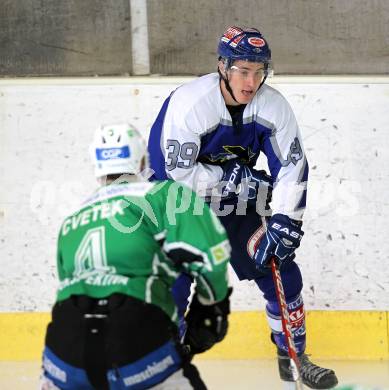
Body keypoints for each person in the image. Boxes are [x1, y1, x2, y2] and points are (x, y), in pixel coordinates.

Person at [147, 26, 338, 389]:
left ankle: (294, 358)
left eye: (259, 71)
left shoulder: (273, 106)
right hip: (174, 201)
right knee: (173, 279)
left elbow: (292, 167)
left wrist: (285, 220)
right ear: (223, 66)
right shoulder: (191, 104)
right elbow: (176, 175)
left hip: (233, 203)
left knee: (278, 264)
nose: (251, 81)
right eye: (242, 71)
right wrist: (236, 179)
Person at [40, 123, 232, 390]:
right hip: (133, 338)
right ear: (142, 160)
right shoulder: (164, 195)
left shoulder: (71, 221)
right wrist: (212, 309)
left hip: (63, 351)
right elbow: (211, 257)